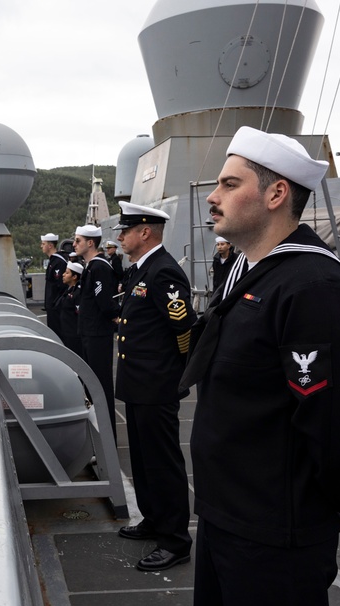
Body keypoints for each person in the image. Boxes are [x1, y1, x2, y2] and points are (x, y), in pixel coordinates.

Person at [184, 126, 340, 606]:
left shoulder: (312, 286)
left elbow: (333, 418)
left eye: (230, 183)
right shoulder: (249, 271)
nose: (212, 195)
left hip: (274, 532)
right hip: (228, 512)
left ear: (275, 195)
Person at [113, 201, 196, 572]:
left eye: (125, 230)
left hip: (156, 384)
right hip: (138, 384)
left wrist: (174, 375)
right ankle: (154, 520)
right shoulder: (140, 271)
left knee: (163, 464)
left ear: (145, 232)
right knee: (144, 462)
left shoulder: (164, 273)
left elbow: (183, 329)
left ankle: (176, 540)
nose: (120, 236)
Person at [74, 223, 120, 438]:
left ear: (90, 243)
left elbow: (104, 302)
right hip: (89, 332)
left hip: (97, 334)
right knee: (90, 384)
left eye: (78, 241)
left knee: (100, 385)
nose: (74, 244)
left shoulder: (99, 267)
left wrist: (116, 316)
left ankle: (106, 434)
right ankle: (97, 431)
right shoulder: (91, 267)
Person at [41, 233, 68, 339]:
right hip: (52, 306)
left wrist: (55, 304)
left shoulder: (59, 262)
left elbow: (61, 286)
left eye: (43, 244)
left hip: (56, 307)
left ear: (50, 246)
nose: (41, 246)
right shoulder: (53, 261)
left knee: (58, 335)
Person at [55, 261, 84, 357]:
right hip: (66, 332)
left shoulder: (78, 293)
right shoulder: (69, 290)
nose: (63, 275)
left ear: (74, 277)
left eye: (67, 273)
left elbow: (79, 314)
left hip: (74, 335)